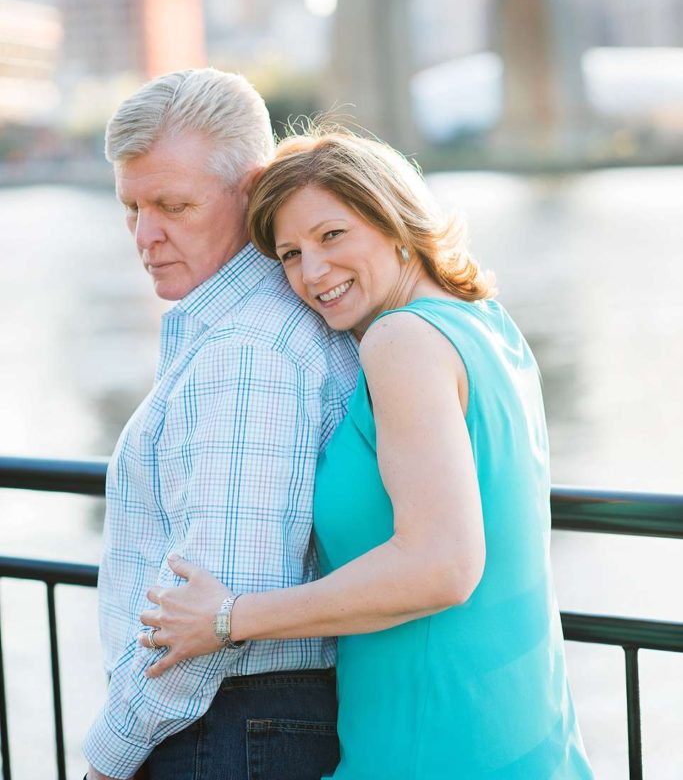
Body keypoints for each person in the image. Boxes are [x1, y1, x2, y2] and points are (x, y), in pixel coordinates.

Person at [139, 130, 595, 779]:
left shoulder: (399, 340)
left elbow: (441, 566)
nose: (312, 273)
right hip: (522, 737)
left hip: (437, 748)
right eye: (291, 253)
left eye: (332, 236)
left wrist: (226, 618)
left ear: (394, 221)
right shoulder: (487, 325)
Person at [82, 72, 359, 780]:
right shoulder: (252, 329)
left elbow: (214, 609)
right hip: (236, 729)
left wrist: (106, 760)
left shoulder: (246, 351)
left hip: (222, 734)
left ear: (255, 188)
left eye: (173, 205)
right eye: (132, 208)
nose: (146, 235)